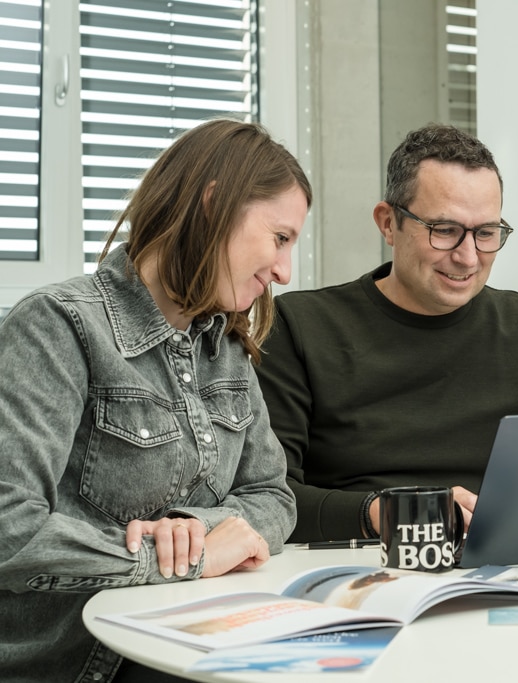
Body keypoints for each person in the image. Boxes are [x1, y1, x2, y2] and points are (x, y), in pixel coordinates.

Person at [0, 118, 310, 682]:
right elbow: (8, 529)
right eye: (280, 238)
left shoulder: (227, 348)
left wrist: (195, 525)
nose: (285, 271)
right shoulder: (57, 327)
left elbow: (271, 496)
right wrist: (178, 559)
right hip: (80, 665)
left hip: (194, 641)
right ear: (214, 206)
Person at [256, 123, 518, 542]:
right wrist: (391, 513)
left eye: (487, 233)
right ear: (388, 224)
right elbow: (268, 498)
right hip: (362, 565)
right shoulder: (299, 325)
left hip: (500, 561)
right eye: (445, 230)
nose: (468, 256)